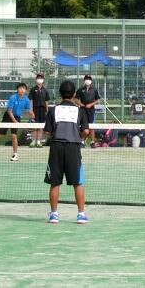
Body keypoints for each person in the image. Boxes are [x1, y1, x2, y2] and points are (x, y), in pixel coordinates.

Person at [43, 80, 90, 224]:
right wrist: (78, 137)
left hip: (56, 147)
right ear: (74, 94)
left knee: (55, 183)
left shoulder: (53, 110)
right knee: (78, 182)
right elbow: (86, 131)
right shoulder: (80, 111)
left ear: (60, 94)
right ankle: (81, 214)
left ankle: (54, 215)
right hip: (73, 148)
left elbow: (47, 132)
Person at [0, 82, 32, 162]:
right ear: (17, 89)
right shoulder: (13, 97)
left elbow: (29, 110)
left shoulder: (26, 100)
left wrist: (33, 117)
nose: (22, 90)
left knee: (14, 136)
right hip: (8, 116)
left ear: (25, 90)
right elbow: (9, 111)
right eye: (20, 88)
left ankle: (15, 154)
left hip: (17, 117)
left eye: (24, 88)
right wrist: (15, 122)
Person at [76, 75, 100, 148]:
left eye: (89, 79)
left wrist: (90, 104)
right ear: (84, 80)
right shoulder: (80, 90)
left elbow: (98, 100)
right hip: (82, 110)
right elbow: (76, 99)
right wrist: (82, 105)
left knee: (91, 126)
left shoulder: (94, 90)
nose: (87, 80)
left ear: (91, 81)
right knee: (83, 126)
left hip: (91, 111)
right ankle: (82, 141)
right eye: (86, 79)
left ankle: (92, 142)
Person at [28, 72, 50, 148]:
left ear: (43, 79)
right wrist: (31, 110)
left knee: (40, 126)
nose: (39, 79)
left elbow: (46, 102)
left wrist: (47, 111)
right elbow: (31, 100)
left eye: (41, 78)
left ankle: (38, 141)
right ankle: (33, 141)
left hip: (43, 110)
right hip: (35, 109)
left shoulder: (45, 90)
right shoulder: (33, 89)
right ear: (36, 79)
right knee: (34, 126)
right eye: (38, 78)